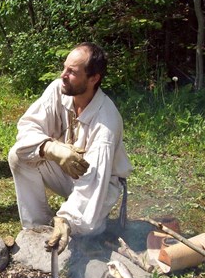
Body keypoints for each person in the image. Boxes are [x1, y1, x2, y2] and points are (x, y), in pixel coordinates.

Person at [8, 42, 132, 254]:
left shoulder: (106, 123)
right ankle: (36, 229)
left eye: (72, 72)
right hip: (68, 173)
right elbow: (27, 126)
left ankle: (69, 225)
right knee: (18, 156)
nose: (63, 75)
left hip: (100, 184)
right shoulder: (58, 89)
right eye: (64, 68)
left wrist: (67, 219)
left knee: (83, 232)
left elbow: (94, 180)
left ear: (94, 78)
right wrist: (50, 148)